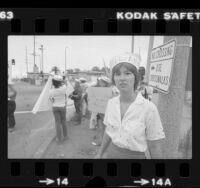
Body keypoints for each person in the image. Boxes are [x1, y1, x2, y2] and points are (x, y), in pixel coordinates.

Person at [94, 53, 165, 159]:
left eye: (127, 73)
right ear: (114, 79)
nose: (122, 78)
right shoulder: (111, 103)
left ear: (135, 78)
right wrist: (99, 154)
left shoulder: (149, 108)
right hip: (111, 155)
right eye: (117, 74)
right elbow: (109, 131)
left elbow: (154, 146)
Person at [92, 76, 111, 146]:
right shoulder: (105, 89)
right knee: (103, 127)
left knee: (103, 127)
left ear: (104, 83)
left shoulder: (106, 90)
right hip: (101, 111)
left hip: (104, 112)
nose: (99, 82)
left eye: (101, 81)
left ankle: (101, 142)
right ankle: (103, 142)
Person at [49, 75, 68, 144]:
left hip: (55, 107)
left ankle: (59, 139)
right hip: (62, 107)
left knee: (57, 123)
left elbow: (51, 100)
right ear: (60, 82)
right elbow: (65, 82)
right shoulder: (64, 88)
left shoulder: (51, 91)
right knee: (64, 121)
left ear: (53, 82)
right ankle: (65, 136)